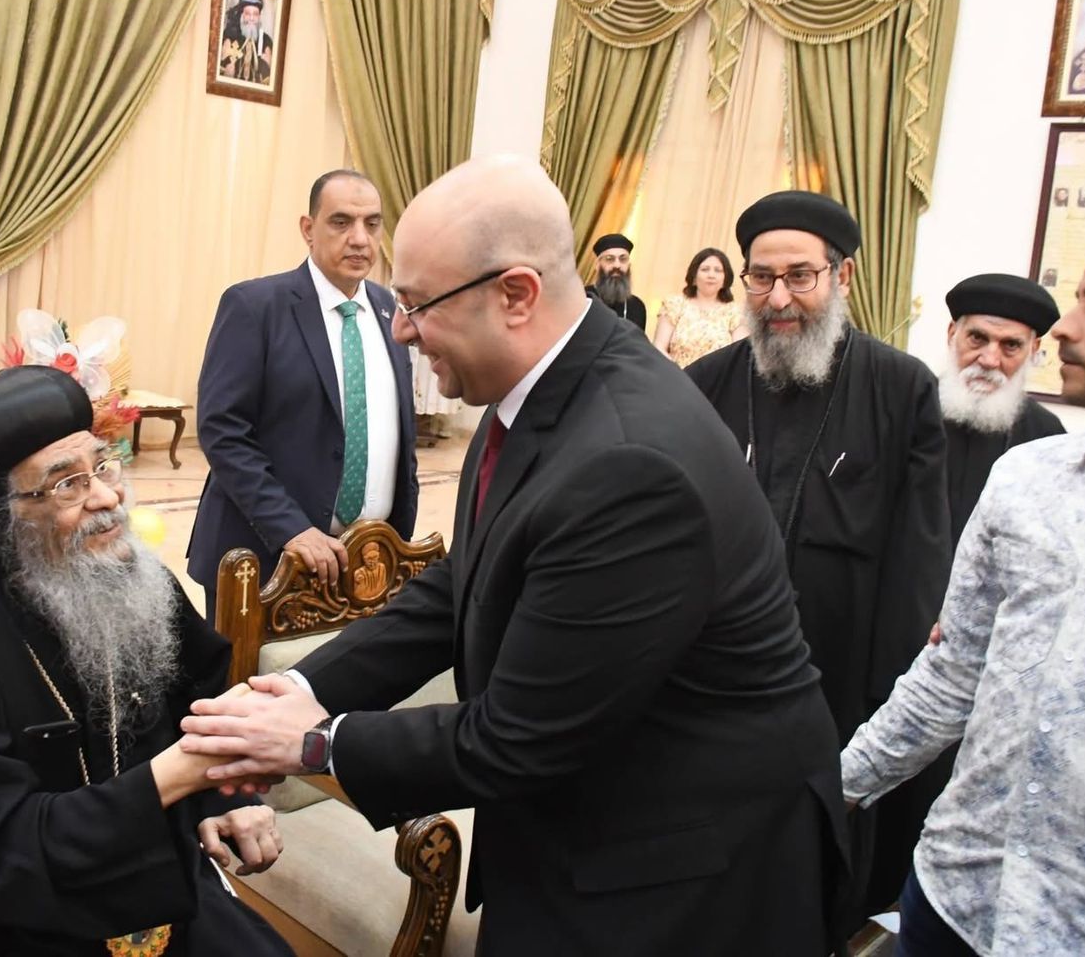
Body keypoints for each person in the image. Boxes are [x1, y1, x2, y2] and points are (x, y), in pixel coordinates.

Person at [179, 156, 849, 955]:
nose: (399, 329)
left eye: (417, 304)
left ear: (517, 294)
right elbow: (462, 583)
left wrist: (311, 744)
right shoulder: (539, 389)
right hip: (584, 827)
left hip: (678, 875)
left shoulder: (629, 466)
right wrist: (298, 689)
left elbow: (519, 739)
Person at [0, 365, 292, 956]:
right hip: (12, 923)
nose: (108, 497)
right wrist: (179, 775)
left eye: (104, 466)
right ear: (0, 516)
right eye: (67, 485)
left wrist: (223, 796)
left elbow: (205, 694)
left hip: (156, 882)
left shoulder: (133, 580)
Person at [841, 223, 1085, 956]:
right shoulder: (1028, 478)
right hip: (951, 896)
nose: (1068, 329)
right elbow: (953, 672)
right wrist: (836, 785)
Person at [684, 190, 951, 918]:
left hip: (841, 686)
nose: (778, 298)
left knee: (810, 876)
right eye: (761, 277)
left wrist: (886, 705)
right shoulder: (702, 386)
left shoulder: (902, 389)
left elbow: (919, 564)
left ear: (843, 275)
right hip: (713, 680)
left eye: (799, 276)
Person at [188, 170, 417, 621]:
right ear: (308, 229)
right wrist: (292, 529)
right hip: (264, 559)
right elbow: (222, 431)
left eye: (372, 224)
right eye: (341, 222)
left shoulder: (390, 309)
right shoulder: (255, 306)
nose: (359, 239)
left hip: (366, 564)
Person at [940, 273, 1066, 545]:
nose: (989, 360)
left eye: (1011, 345)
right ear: (952, 334)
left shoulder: (1046, 435)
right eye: (977, 338)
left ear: (1033, 349)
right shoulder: (909, 408)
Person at [652, 246, 748, 367]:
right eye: (705, 269)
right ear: (694, 276)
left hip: (716, 378)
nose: (711, 275)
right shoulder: (674, 304)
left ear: (725, 279)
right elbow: (659, 347)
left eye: (718, 270)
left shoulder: (735, 312)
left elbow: (738, 356)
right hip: (675, 374)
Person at [583, 232, 647, 330]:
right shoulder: (583, 298)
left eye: (623, 259)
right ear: (597, 265)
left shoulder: (637, 307)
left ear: (629, 265)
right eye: (609, 259)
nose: (617, 265)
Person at [218, 0, 274, 84]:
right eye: (248, 14)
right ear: (242, 15)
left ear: (259, 16)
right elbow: (217, 68)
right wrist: (224, 74)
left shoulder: (266, 41)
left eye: (255, 14)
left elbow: (271, 79)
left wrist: (267, 67)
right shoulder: (229, 36)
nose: (251, 18)